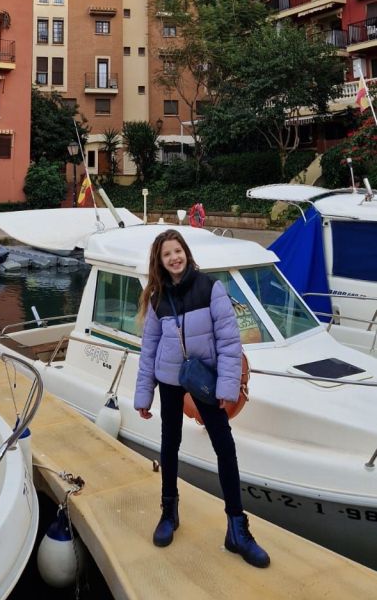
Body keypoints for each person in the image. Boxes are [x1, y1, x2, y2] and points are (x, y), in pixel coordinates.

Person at [134, 229, 270, 568]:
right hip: (169, 380)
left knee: (224, 446)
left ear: (186, 252)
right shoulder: (157, 298)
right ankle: (169, 512)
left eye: (177, 251)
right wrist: (143, 395)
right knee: (170, 443)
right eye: (167, 254)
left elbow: (229, 341)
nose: (174, 258)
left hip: (203, 376)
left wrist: (227, 388)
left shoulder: (211, 288)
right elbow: (149, 349)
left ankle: (237, 528)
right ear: (160, 261)